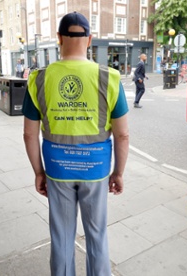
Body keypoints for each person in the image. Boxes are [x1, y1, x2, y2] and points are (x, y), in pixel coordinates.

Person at [22, 12, 129, 275]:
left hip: (58, 168)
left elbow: (28, 134)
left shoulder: (39, 78)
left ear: (58, 38)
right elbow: (123, 135)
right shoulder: (110, 77)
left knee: (61, 235)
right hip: (96, 169)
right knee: (97, 234)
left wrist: (39, 172)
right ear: (90, 39)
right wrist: (118, 172)